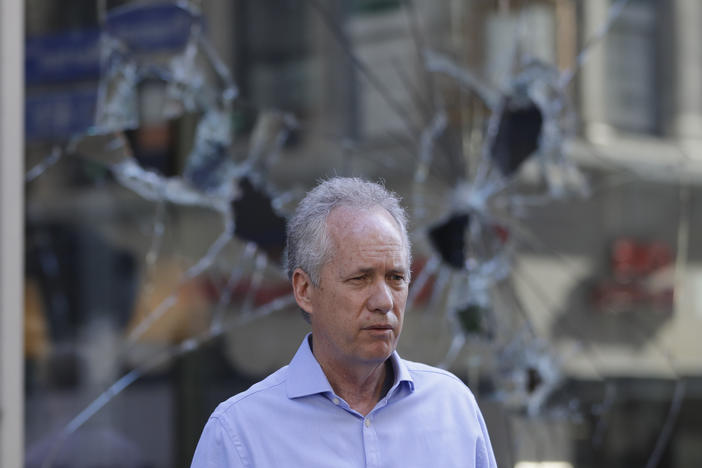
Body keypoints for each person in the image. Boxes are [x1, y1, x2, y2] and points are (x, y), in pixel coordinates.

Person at [190, 177, 497, 467]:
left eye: (396, 278)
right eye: (360, 278)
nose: (384, 301)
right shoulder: (238, 432)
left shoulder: (453, 408)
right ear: (304, 289)